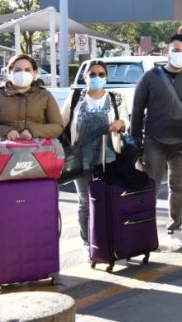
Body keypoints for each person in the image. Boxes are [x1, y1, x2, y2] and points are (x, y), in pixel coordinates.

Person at [130, 34, 182, 249]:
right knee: (150, 189)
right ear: (167, 51)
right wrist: (135, 143)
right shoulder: (150, 77)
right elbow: (137, 111)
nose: (180, 54)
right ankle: (144, 232)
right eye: (176, 50)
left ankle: (175, 230)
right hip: (153, 142)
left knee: (177, 187)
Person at [60, 61, 129, 248]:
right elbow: (61, 122)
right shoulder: (76, 97)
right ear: (85, 77)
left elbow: (126, 122)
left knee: (109, 200)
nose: (96, 78)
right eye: (92, 74)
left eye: (101, 74)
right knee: (85, 202)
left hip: (108, 159)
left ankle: (108, 243)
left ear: (106, 77)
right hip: (80, 159)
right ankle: (88, 243)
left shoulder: (116, 98)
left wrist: (121, 123)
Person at [0, 54, 64, 142]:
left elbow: (57, 126)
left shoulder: (45, 95)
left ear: (34, 73)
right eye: (17, 70)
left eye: (27, 70)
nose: (22, 73)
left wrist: (33, 131)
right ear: (9, 72)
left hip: (37, 149)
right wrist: (6, 131)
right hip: (3, 149)